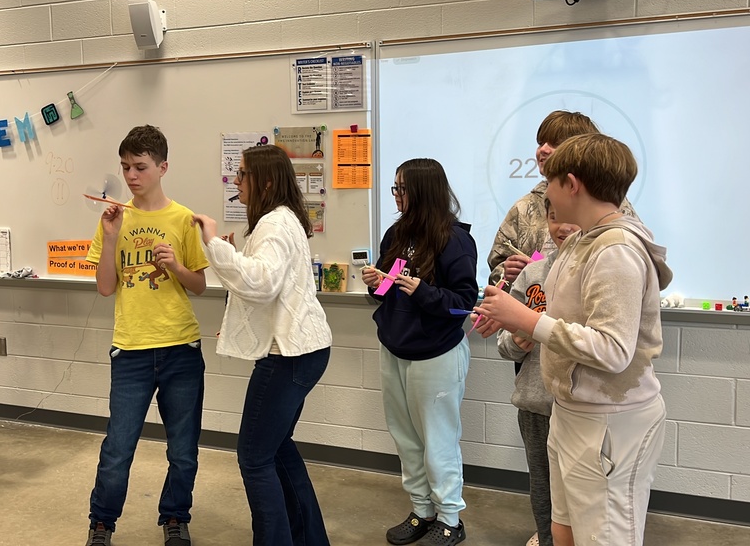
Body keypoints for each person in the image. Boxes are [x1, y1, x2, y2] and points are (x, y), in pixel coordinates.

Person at [473, 133, 672, 546]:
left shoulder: (616, 251)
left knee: (604, 536)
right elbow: (558, 312)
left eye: (550, 180)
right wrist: (511, 314)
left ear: (572, 183)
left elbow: (613, 350)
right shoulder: (581, 241)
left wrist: (526, 321)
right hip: (572, 410)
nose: (543, 187)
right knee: (562, 530)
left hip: (609, 419)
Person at [192, 144, 332, 546]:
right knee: (276, 448)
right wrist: (233, 254)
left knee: (254, 458)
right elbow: (272, 285)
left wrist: (215, 243)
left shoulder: (273, 224)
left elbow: (262, 282)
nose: (236, 182)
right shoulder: (284, 220)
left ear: (265, 181)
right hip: (304, 351)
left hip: (288, 356)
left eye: (241, 174)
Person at [84, 125, 209, 546]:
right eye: (125, 168)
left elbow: (199, 286)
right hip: (131, 349)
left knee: (183, 449)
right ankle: (102, 522)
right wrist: (112, 237)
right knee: (118, 449)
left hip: (180, 347)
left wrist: (175, 266)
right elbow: (105, 287)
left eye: (140, 167)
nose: (131, 176)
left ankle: (175, 517)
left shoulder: (182, 218)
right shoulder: (113, 219)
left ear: (162, 167)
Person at [360, 158, 478, 546]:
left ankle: (450, 520)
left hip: (436, 354)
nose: (396, 195)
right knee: (406, 437)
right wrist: (374, 282)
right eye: (394, 188)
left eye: (401, 189)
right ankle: (421, 510)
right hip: (395, 347)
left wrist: (422, 290)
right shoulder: (396, 233)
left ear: (423, 191)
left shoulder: (455, 240)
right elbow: (383, 289)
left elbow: (463, 302)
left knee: (438, 440)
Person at [495, 198, 579, 546]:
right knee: (543, 494)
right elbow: (504, 342)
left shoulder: (598, 271)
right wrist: (517, 340)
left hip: (580, 408)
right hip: (535, 403)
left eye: (571, 217)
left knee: (580, 497)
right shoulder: (532, 275)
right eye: (554, 217)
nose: (563, 226)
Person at [487, 110, 635, 287]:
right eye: (541, 143)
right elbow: (497, 267)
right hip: (530, 307)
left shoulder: (611, 208)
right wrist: (507, 271)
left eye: (556, 144)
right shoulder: (524, 207)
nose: (543, 150)